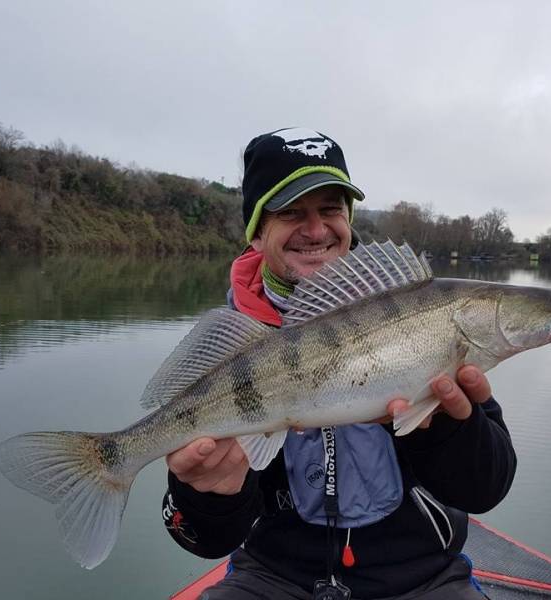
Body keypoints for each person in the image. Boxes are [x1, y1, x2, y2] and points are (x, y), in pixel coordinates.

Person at [162, 127, 516, 599]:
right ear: (258, 230)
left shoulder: (422, 314)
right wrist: (205, 495)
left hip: (422, 578)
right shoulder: (232, 347)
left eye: (331, 209)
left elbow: (486, 490)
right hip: (272, 577)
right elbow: (203, 540)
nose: (316, 229)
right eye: (291, 212)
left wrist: (447, 428)